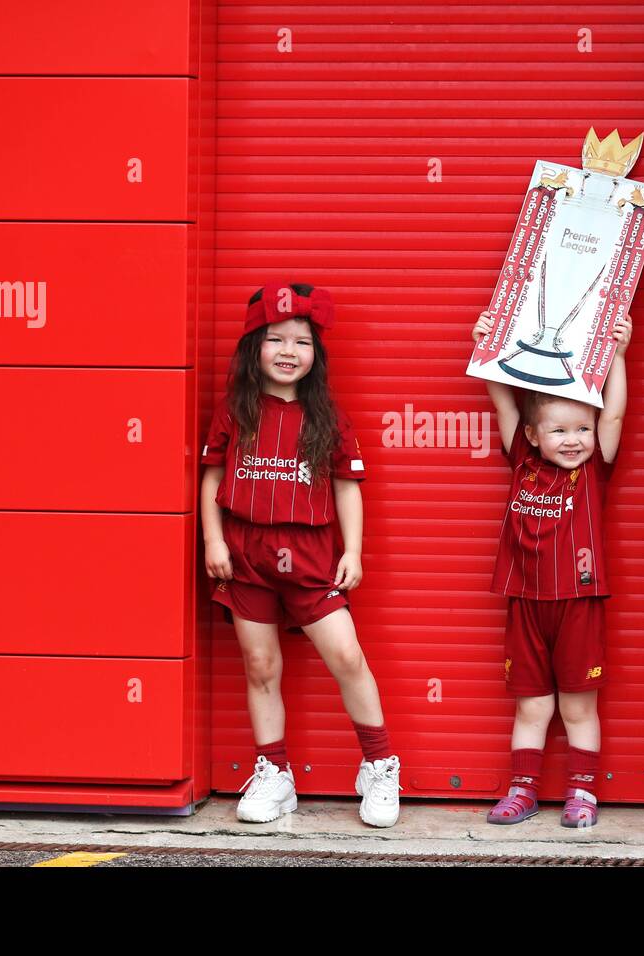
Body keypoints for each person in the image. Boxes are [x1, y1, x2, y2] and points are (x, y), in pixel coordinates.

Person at [200, 281, 400, 827]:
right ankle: (275, 773)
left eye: (302, 342)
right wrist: (214, 539)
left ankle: (380, 766)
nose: (289, 352)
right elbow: (212, 474)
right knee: (261, 665)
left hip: (310, 554)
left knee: (347, 657)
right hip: (245, 551)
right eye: (276, 339)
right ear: (253, 348)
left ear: (317, 355)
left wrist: (353, 551)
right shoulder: (234, 411)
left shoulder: (329, 417)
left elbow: (347, 486)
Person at [470, 308, 630, 828]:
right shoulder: (521, 457)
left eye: (581, 427)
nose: (573, 439)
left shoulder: (594, 470)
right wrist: (488, 345)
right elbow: (500, 395)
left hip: (579, 604)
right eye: (559, 429)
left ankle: (583, 794)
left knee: (579, 708)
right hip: (526, 604)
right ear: (534, 435)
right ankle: (523, 791)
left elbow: (614, 416)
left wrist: (619, 356)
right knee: (533, 710)